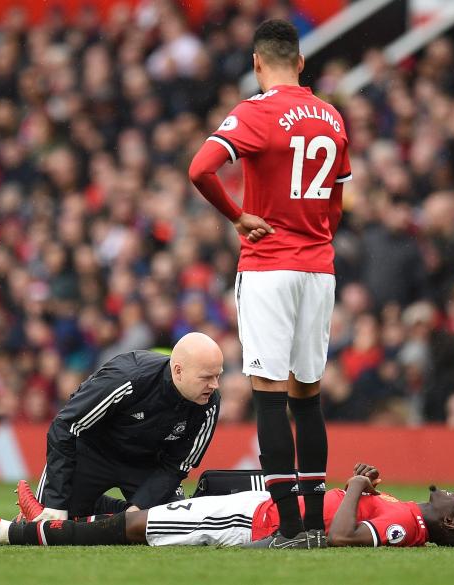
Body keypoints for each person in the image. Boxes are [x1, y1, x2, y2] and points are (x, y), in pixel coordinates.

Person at [188, 19, 351, 548]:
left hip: (269, 266)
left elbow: (200, 169)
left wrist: (237, 216)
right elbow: (337, 203)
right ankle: (315, 524)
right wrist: (315, 237)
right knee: (309, 396)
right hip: (318, 268)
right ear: (301, 62)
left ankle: (286, 526)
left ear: (257, 63)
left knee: (269, 395)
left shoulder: (256, 111)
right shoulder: (331, 117)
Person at [0, 463, 454, 549]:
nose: (450, 492)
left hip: (255, 522)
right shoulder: (410, 510)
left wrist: (355, 487)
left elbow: (345, 538)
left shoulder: (407, 525)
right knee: (148, 519)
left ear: (451, 520)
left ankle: (5, 533)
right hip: (267, 506)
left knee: (143, 523)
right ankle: (50, 520)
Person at [31, 332, 222, 521]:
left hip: (147, 463)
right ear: (178, 371)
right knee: (49, 517)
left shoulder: (209, 403)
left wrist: (137, 508)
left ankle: (120, 511)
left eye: (218, 376)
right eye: (206, 377)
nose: (214, 385)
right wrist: (55, 503)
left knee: (173, 523)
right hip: (93, 451)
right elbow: (65, 426)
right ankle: (90, 505)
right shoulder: (128, 377)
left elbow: (177, 466)